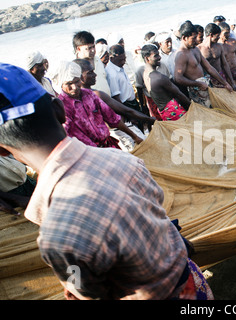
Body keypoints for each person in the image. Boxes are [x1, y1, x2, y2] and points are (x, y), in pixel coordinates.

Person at [0, 63, 213, 300]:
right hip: (191, 284)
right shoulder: (124, 161)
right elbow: (157, 214)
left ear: (2, 151)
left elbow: (88, 293)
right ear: (59, 109)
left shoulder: (57, 237)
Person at [56, 61, 142, 149]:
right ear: (61, 84)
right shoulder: (62, 106)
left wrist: (135, 137)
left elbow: (112, 118)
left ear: (81, 78)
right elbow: (69, 137)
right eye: (69, 84)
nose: (74, 87)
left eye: (77, 81)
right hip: (88, 153)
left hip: (108, 145)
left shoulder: (89, 95)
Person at [73, 59, 152, 151]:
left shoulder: (80, 99)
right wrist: (149, 120)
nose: (95, 75)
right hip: (115, 134)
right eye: (90, 73)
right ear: (80, 77)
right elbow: (124, 112)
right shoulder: (96, 95)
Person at [173, 21, 232, 108]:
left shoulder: (195, 49)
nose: (196, 40)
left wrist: (225, 83)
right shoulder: (181, 55)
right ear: (184, 38)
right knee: (201, 117)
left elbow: (209, 68)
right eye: (193, 38)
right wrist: (197, 84)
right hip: (196, 90)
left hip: (206, 85)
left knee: (215, 110)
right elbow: (178, 78)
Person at [141, 44, 190, 121]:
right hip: (174, 111)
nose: (159, 57)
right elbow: (178, 94)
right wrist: (192, 107)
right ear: (147, 58)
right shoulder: (159, 78)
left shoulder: (145, 74)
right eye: (156, 56)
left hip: (164, 113)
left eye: (159, 54)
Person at [106, 44, 145, 132]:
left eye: (124, 59)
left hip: (132, 103)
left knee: (140, 126)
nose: (123, 62)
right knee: (135, 130)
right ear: (112, 58)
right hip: (125, 105)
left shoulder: (119, 66)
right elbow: (116, 97)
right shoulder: (112, 74)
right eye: (121, 60)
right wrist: (128, 115)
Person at [198, 23, 236, 91]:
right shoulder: (199, 49)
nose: (219, 38)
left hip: (221, 78)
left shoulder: (219, 46)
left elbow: (225, 64)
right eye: (217, 36)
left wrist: (232, 82)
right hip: (207, 81)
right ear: (211, 35)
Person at [73, 31, 111, 96]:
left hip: (108, 101)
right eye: (89, 48)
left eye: (93, 47)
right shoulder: (75, 67)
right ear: (78, 49)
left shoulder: (98, 60)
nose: (93, 50)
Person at [218, 22, 236, 90]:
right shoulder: (218, 46)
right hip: (227, 72)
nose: (227, 35)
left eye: (228, 32)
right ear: (220, 33)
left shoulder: (233, 41)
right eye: (225, 33)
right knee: (233, 92)